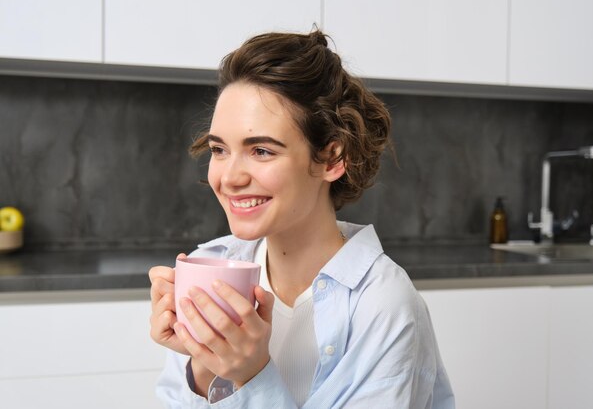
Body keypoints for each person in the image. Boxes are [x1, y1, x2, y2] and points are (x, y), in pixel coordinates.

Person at [149, 29, 455, 408]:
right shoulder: (210, 270)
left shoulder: (383, 305)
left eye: (260, 150)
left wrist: (251, 375)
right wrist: (203, 365)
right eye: (219, 149)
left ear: (331, 158)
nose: (228, 178)